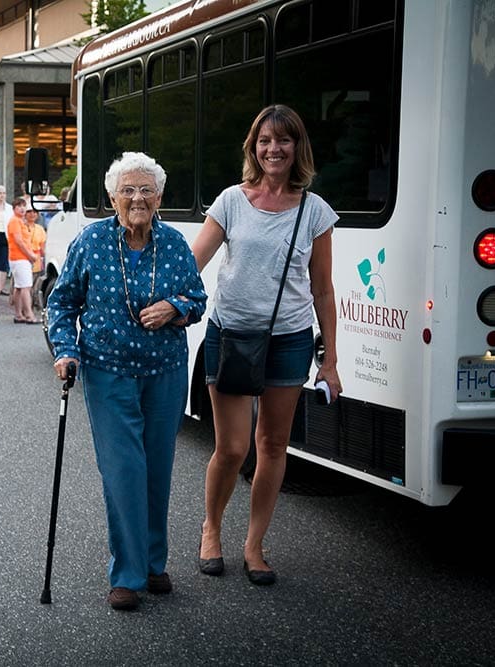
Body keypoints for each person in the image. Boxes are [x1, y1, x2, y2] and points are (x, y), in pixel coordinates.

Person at [190, 104, 342, 586]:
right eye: (264, 141)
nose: (273, 149)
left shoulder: (315, 211)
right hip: (231, 335)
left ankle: (254, 545)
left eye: (283, 140)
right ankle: (211, 529)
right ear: (253, 148)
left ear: (298, 148)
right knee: (232, 448)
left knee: (273, 445)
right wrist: (161, 302)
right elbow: (193, 262)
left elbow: (322, 289)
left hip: (289, 341)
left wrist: (330, 361)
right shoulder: (232, 200)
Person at [48, 152, 207, 610]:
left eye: (146, 190)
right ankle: (129, 573)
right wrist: (65, 350)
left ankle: (154, 563)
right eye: (128, 190)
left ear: (159, 197)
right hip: (109, 373)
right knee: (123, 472)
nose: (137, 197)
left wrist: (175, 307)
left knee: (157, 470)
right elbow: (62, 303)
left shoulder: (175, 244)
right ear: (112, 197)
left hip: (165, 373)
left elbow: (197, 297)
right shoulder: (91, 242)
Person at [6, 198, 37, 324]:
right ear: (14, 209)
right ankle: (29, 314)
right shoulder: (15, 221)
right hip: (20, 258)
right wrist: (30, 255)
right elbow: (19, 241)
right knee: (25, 287)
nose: (22, 208)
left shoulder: (19, 221)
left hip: (17, 258)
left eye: (24, 206)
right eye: (19, 206)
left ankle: (18, 314)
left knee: (18, 287)